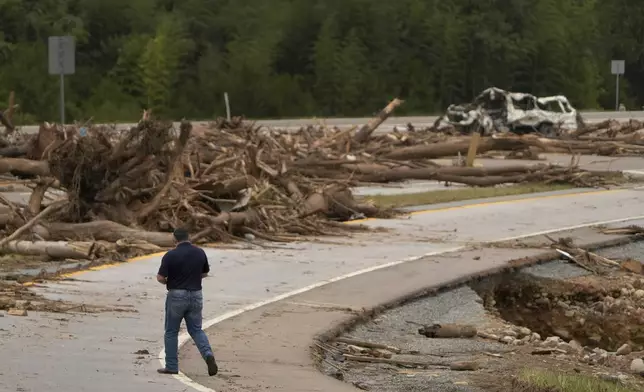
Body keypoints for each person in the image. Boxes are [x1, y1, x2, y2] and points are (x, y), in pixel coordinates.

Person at [156, 228, 218, 376]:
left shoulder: (170, 255)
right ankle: (208, 354)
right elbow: (205, 273)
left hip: (176, 295)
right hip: (196, 294)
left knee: (171, 331)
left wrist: (167, 282)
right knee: (196, 330)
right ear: (188, 237)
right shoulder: (200, 252)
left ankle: (171, 366)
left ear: (174, 239)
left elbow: (160, 277)